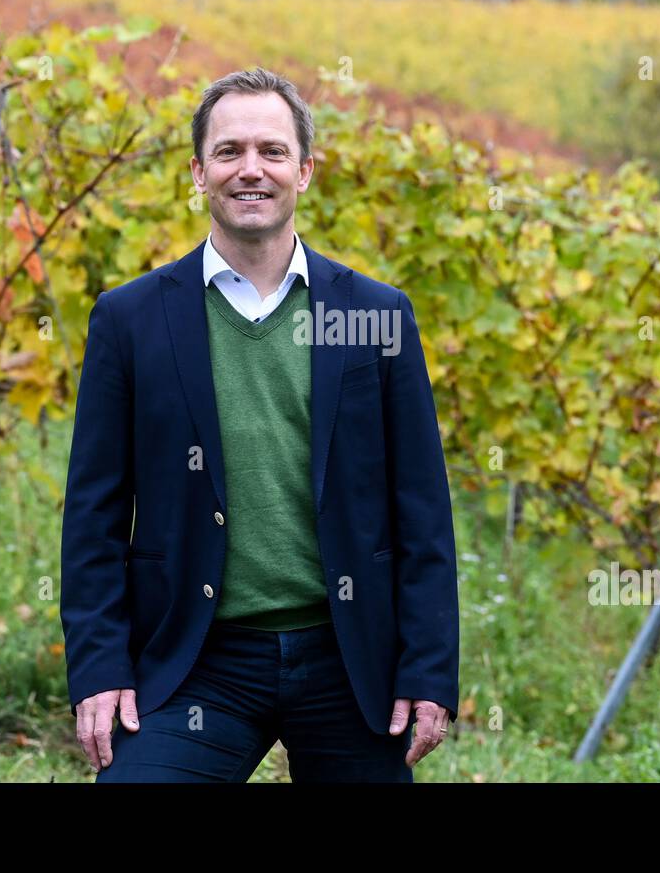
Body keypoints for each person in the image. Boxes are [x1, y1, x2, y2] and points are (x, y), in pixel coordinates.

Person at [60, 67, 459, 782]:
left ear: (304, 171)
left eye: (273, 151)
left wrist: (429, 669)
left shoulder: (374, 314)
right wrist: (98, 668)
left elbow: (422, 509)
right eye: (229, 151)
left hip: (349, 659)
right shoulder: (130, 318)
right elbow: (93, 517)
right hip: (198, 662)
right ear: (198, 172)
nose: (252, 169)